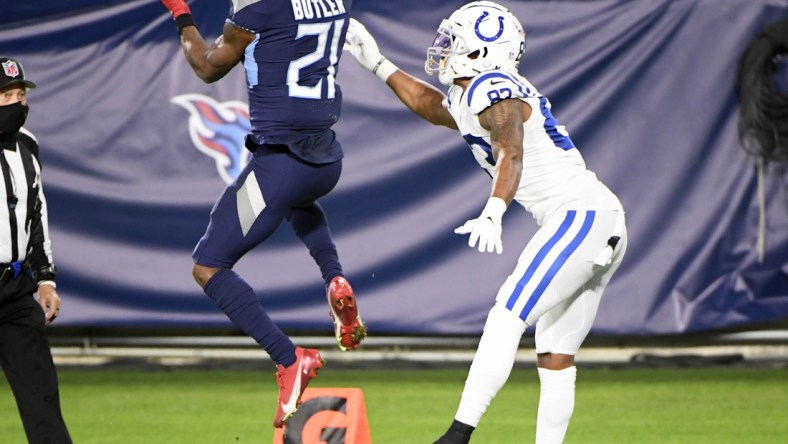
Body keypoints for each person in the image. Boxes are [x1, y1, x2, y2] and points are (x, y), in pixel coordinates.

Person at [343, 2, 627, 443]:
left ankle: (457, 435)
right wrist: (378, 64)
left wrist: (494, 209)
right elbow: (434, 105)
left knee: (506, 315)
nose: (443, 47)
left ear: (481, 52)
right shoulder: (470, 92)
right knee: (555, 358)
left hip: (580, 215)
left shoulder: (494, 86)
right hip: (597, 219)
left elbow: (509, 149)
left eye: (454, 40)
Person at [159, 0, 366, 429]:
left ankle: (290, 359)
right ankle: (334, 277)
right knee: (297, 203)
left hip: (281, 164)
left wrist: (181, 14)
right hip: (326, 160)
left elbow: (207, 66)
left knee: (208, 266)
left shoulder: (260, 13)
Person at [0, 56, 72, 443]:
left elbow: (36, 214)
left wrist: (45, 279)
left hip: (13, 289)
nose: (16, 105)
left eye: (20, 95)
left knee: (42, 400)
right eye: (5, 95)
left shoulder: (28, 146)